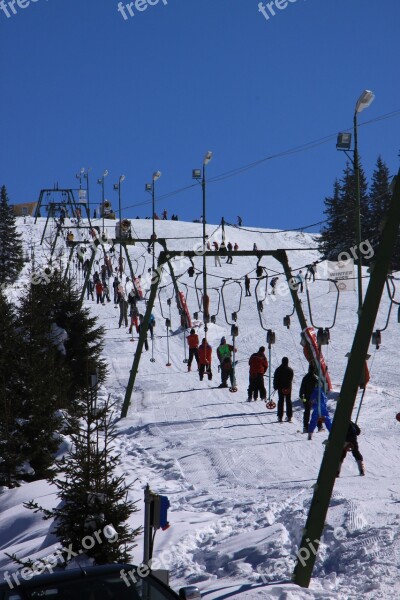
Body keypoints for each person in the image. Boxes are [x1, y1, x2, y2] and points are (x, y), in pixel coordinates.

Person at [299, 364, 320, 433]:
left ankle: (305, 427)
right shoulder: (316, 378)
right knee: (316, 412)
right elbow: (319, 389)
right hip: (314, 398)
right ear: (314, 370)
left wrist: (302, 398)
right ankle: (319, 426)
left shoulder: (305, 377)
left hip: (306, 398)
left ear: (309, 369)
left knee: (307, 412)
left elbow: (302, 389)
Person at [274, 357, 294, 422]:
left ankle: (280, 416)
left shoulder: (278, 369)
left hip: (280, 387)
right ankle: (289, 416)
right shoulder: (290, 370)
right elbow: (290, 379)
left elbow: (276, 379)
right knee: (288, 401)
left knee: (281, 401)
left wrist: (275, 386)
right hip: (288, 387)